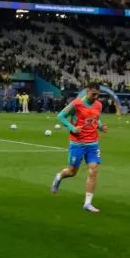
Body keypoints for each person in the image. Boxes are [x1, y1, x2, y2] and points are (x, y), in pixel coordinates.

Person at [51, 83, 108, 213]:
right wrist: (72, 128)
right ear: (87, 92)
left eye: (98, 94)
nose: (96, 96)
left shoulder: (98, 105)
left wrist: (100, 126)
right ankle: (59, 176)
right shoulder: (76, 104)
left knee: (93, 170)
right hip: (77, 143)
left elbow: (95, 118)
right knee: (72, 172)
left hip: (93, 143)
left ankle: (88, 203)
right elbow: (60, 116)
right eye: (93, 94)